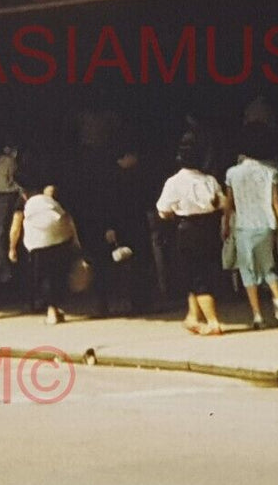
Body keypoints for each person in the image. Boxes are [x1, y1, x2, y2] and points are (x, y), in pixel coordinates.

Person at [158, 134, 228, 336]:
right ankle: (192, 317)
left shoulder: (173, 182)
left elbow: (162, 209)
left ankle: (213, 321)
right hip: (209, 227)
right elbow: (222, 203)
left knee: (196, 275)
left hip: (186, 228)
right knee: (201, 271)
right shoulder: (210, 180)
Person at [224, 124, 278, 328]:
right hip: (266, 224)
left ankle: (258, 315)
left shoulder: (232, 173)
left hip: (244, 226)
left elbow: (229, 204)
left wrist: (225, 224)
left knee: (248, 271)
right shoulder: (270, 172)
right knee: (268, 266)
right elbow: (276, 202)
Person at [98, 146, 158, 315]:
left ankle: (138, 301)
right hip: (130, 225)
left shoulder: (118, 177)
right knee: (136, 264)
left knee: (133, 264)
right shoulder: (118, 178)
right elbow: (109, 205)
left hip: (127, 225)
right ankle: (139, 301)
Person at [9, 183, 78, 325]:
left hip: (38, 243)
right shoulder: (53, 198)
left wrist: (12, 248)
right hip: (59, 239)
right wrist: (75, 240)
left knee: (44, 277)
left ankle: (51, 311)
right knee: (57, 274)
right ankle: (56, 307)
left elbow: (15, 227)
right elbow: (68, 219)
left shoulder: (24, 201)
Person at [0, 145, 23, 287]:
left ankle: (6, 270)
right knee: (4, 231)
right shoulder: (4, 160)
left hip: (9, 195)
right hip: (7, 195)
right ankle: (5, 270)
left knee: (5, 230)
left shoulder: (0, 160)